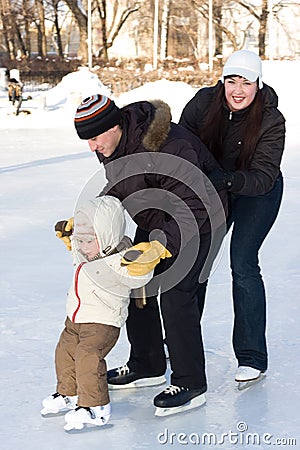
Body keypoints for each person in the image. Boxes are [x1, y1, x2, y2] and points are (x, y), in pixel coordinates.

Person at [56, 95, 228, 415]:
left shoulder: (169, 146)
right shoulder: (114, 146)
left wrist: (162, 245)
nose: (91, 147)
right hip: (157, 217)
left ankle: (190, 382)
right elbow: (118, 189)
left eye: (94, 138)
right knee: (132, 281)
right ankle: (147, 364)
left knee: (176, 295)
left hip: (202, 218)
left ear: (114, 126)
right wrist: (87, 222)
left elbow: (192, 204)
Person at [179, 49, 285, 387]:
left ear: (258, 84)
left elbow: (264, 175)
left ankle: (252, 356)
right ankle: (182, 343)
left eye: (246, 82)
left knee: (242, 263)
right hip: (214, 189)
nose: (237, 90)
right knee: (198, 261)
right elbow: (181, 143)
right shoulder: (203, 103)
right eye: (231, 81)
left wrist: (226, 179)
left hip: (257, 192)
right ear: (222, 81)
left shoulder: (271, 119)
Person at [41, 195, 153, 430]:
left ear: (107, 237)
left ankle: (95, 407)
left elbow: (138, 277)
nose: (81, 247)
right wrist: (72, 235)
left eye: (87, 241)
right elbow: (79, 248)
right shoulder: (87, 252)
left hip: (102, 323)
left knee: (87, 357)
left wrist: (143, 264)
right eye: (79, 241)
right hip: (74, 319)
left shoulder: (121, 259)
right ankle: (69, 394)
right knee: (64, 353)